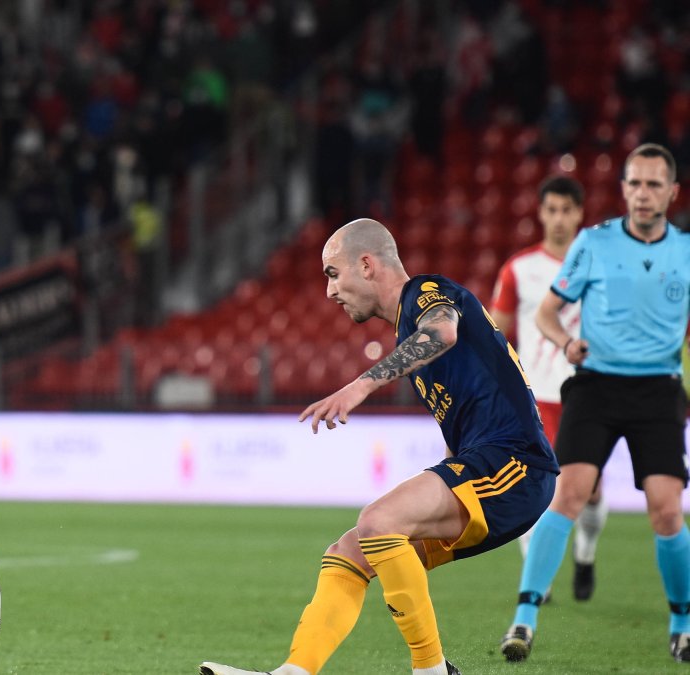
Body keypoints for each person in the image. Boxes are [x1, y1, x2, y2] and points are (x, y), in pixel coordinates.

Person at [201, 218, 558, 675]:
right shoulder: (407, 326)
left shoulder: (426, 292)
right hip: (485, 465)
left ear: (367, 265)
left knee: (377, 521)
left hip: (517, 468)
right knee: (349, 551)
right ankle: (292, 673)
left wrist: (359, 387)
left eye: (333, 273)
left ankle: (431, 671)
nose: (329, 291)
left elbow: (443, 332)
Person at [499, 142, 690, 664]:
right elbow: (545, 313)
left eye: (654, 184)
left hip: (657, 389)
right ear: (623, 188)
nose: (643, 193)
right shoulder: (593, 244)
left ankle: (682, 622)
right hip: (596, 384)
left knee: (667, 510)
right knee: (568, 494)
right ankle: (525, 617)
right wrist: (565, 343)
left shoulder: (686, 252)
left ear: (672, 193)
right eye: (634, 182)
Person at [490, 175, 607, 602]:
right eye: (552, 210)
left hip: (589, 393)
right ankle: (539, 581)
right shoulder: (519, 269)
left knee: (591, 493)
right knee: (532, 489)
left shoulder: (600, 265)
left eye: (567, 210)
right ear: (541, 213)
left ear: (580, 214)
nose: (559, 219)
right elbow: (495, 334)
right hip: (535, 395)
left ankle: (586, 553)